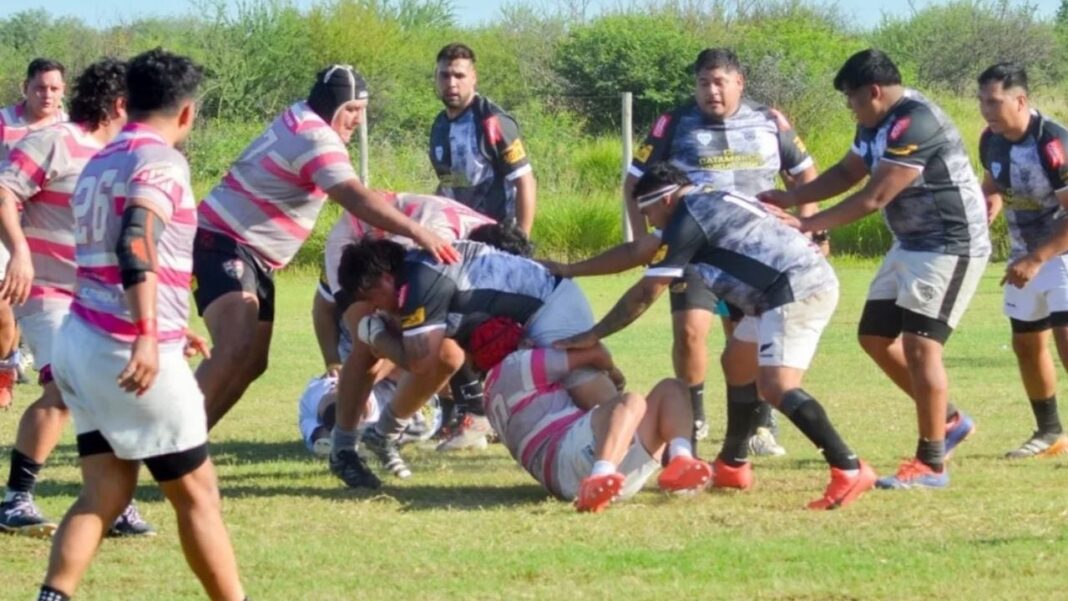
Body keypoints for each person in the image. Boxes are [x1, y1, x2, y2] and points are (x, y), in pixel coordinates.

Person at [39, 48, 247, 601]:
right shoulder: (163, 162)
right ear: (187, 114)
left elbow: (112, 258)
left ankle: (51, 596)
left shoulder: (100, 161)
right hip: (125, 347)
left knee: (102, 494)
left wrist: (171, 323)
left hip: (79, 341)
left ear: (126, 103)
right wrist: (150, 335)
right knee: (199, 496)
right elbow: (135, 242)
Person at [557, 162, 877, 510]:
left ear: (664, 200)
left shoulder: (687, 217)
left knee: (776, 386)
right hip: (773, 293)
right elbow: (637, 252)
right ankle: (732, 465)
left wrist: (594, 334)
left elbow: (647, 292)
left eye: (647, 211)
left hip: (796, 288)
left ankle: (849, 467)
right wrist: (570, 270)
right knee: (737, 364)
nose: (649, 222)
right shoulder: (702, 203)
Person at [760, 49, 989, 490]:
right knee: (875, 338)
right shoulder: (875, 124)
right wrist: (789, 199)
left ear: (874, 92)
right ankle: (950, 421)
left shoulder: (914, 122)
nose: (850, 108)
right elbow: (849, 171)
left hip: (949, 245)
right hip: (911, 244)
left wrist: (809, 224)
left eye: (851, 99)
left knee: (922, 347)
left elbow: (875, 196)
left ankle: (931, 463)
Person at [193, 64, 459, 430]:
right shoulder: (315, 137)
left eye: (362, 113)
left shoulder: (304, 118)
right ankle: (171, 446)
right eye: (351, 111)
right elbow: (353, 197)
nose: (356, 122)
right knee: (234, 345)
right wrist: (418, 231)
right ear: (332, 105)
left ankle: (185, 445)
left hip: (254, 256)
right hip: (222, 241)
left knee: (253, 360)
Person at [623, 48, 821, 453]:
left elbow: (804, 174)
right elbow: (633, 182)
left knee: (744, 342)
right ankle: (693, 420)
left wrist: (809, 226)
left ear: (739, 83)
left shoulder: (770, 121)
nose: (711, 92)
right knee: (691, 332)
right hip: (694, 252)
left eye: (719, 83)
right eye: (703, 83)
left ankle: (759, 425)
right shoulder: (673, 123)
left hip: (755, 254)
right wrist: (643, 241)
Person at [0, 59, 156, 539]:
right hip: (46, 288)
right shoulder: (53, 140)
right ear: (119, 103)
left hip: (97, 294)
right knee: (64, 389)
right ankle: (16, 499)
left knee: (114, 389)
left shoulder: (121, 155)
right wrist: (20, 252)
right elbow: (3, 191)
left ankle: (113, 500)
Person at [328, 238, 617, 488]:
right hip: (540, 305)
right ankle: (379, 436)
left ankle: (630, 443)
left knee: (582, 384)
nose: (376, 307)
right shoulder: (415, 271)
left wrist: (376, 335)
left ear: (381, 279)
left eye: (371, 298)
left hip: (552, 307)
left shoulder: (420, 280)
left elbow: (419, 363)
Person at [470, 317, 712, 513]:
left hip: (564, 475)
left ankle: (681, 464)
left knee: (670, 388)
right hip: (566, 456)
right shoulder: (519, 363)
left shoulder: (488, 396)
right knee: (637, 399)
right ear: (519, 344)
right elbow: (595, 353)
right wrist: (612, 373)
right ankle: (606, 473)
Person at [976, 62, 1068, 458]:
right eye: (981, 101)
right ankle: (1050, 433)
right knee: (1026, 343)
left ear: (1020, 100)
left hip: (1060, 254)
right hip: (1023, 256)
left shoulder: (1052, 144)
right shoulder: (990, 139)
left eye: (994, 102)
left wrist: (1037, 259)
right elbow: (994, 182)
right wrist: (988, 202)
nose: (987, 110)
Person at [0, 58, 68, 409]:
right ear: (25, 87)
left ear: (63, 92)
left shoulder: (69, 128)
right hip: (4, 225)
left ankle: (12, 363)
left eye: (54, 88)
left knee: (24, 303)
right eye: (40, 87)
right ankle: (8, 365)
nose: (47, 94)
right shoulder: (4, 122)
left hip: (45, 231)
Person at [429, 43, 536, 234]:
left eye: (459, 76)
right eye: (445, 75)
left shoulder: (493, 121)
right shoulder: (439, 125)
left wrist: (522, 240)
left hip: (498, 233)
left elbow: (524, 179)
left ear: (473, 78)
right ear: (436, 78)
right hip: (459, 233)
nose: (452, 83)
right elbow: (449, 182)